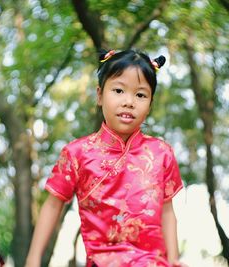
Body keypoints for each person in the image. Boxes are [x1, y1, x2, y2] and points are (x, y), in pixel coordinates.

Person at [25, 49, 187, 267]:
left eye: (140, 94)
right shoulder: (77, 153)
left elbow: (167, 211)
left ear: (150, 104)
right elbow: (53, 206)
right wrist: (33, 260)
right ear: (100, 95)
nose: (129, 101)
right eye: (119, 90)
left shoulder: (162, 153)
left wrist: (174, 259)